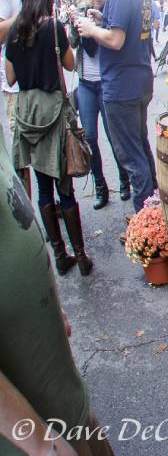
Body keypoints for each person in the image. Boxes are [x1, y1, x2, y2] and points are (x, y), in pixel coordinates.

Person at [0, 141, 115, 456]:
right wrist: (40, 444)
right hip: (29, 437)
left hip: (65, 397)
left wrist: (52, 307)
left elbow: (17, 214)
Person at [5, 0, 92, 276]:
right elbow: (70, 65)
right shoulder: (53, 26)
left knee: (43, 188)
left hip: (28, 112)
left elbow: (11, 78)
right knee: (64, 186)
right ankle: (81, 257)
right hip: (53, 111)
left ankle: (60, 255)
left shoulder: (15, 30)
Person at [73, 0, 158, 212]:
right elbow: (127, 29)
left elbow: (116, 39)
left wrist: (89, 27)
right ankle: (155, 216)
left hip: (121, 86)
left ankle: (146, 226)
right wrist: (103, 19)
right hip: (140, 81)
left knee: (132, 159)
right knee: (141, 150)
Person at [70, 0, 130, 209]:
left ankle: (124, 179)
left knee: (113, 135)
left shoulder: (110, 17)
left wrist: (98, 26)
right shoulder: (83, 14)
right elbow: (73, 45)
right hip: (86, 84)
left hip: (105, 83)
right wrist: (76, 26)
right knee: (90, 137)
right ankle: (100, 187)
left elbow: (113, 44)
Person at [0, 0, 46, 157]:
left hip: (37, 84)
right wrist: (23, 15)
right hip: (15, 84)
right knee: (20, 152)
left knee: (37, 152)